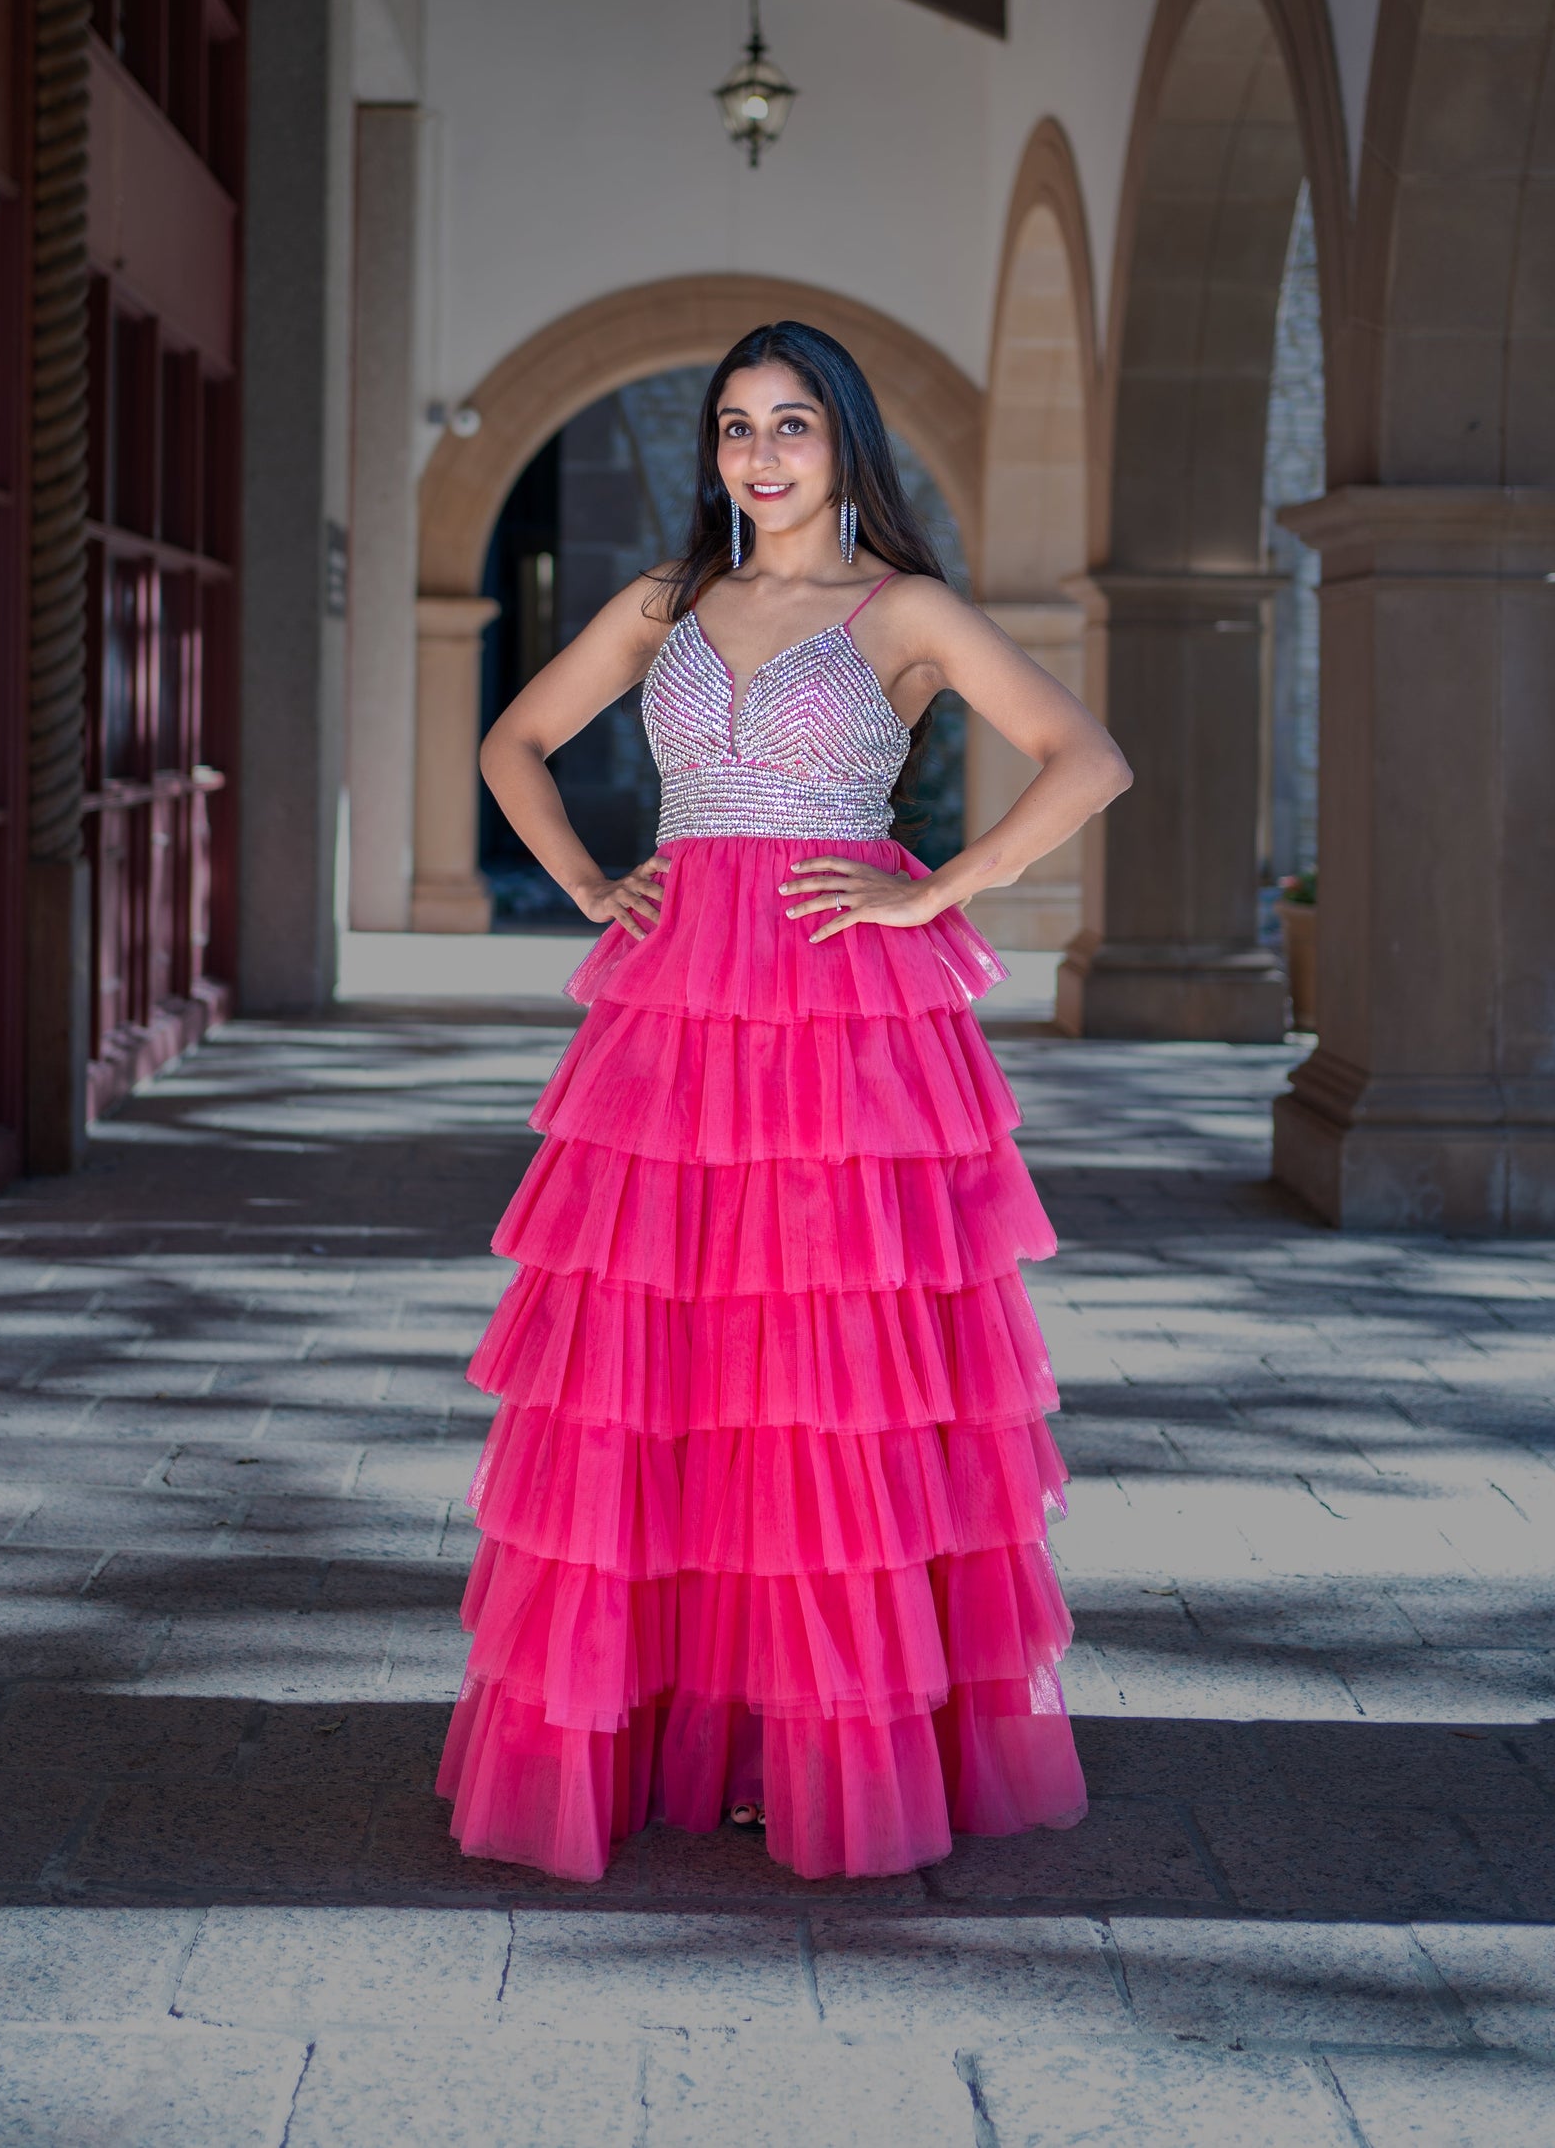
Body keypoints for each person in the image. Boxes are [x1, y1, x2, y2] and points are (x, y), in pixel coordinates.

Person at [436, 319, 1133, 1881]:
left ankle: (822, 1733)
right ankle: (664, 1729)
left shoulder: (907, 609)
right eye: (736, 427)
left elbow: (1083, 759)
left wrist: (937, 887)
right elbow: (513, 740)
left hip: (836, 1015)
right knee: (662, 1359)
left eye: (792, 426)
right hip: (676, 1009)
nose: (758, 454)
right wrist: (586, 883)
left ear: (845, 448)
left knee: (821, 1370)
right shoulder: (659, 603)